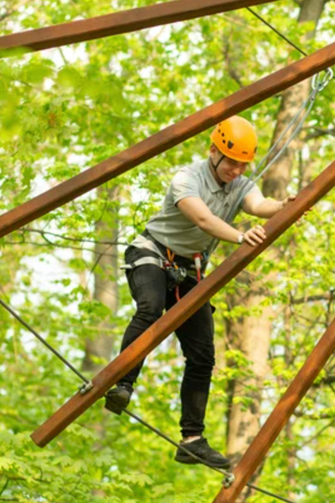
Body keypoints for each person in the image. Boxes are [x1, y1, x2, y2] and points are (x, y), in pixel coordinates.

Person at [104, 115, 293, 469]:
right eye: (230, 162)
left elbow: (259, 205)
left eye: (242, 165)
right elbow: (203, 219)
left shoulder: (241, 185)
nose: (235, 171)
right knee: (150, 309)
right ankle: (121, 383)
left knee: (203, 355)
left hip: (188, 270)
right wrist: (240, 236)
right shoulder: (186, 179)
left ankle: (192, 440)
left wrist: (286, 206)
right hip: (152, 253)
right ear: (213, 152)